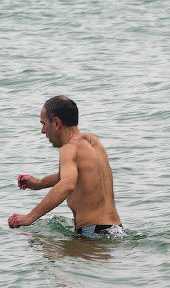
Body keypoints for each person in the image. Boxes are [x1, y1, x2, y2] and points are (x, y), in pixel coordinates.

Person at [8, 96, 123, 237]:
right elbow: (78, 174)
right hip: (115, 230)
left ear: (56, 123)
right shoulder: (93, 141)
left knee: (39, 245)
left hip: (93, 234)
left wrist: (29, 217)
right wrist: (39, 183)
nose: (43, 131)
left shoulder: (68, 148)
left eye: (44, 124)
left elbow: (67, 183)